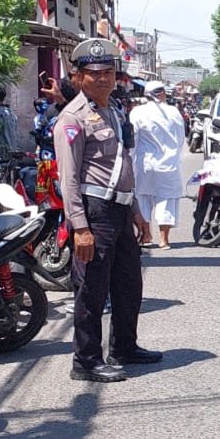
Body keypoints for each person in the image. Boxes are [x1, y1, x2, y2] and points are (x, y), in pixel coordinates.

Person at [54, 38, 161, 383]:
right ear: (78, 77)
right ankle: (85, 361)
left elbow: (124, 165)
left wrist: (138, 214)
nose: (102, 79)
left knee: (129, 285)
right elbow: (68, 178)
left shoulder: (114, 111)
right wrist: (80, 227)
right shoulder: (72, 118)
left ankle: (124, 347)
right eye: (93, 73)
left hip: (120, 209)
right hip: (93, 211)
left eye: (108, 72)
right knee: (92, 290)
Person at [130, 82, 187, 249]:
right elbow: (181, 138)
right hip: (169, 164)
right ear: (162, 94)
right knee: (167, 200)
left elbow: (133, 139)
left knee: (143, 198)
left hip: (145, 163)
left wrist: (130, 162)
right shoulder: (174, 112)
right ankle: (164, 240)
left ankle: (146, 236)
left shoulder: (137, 112)